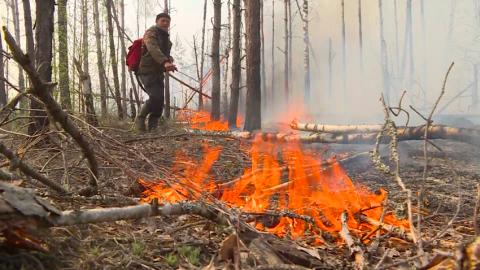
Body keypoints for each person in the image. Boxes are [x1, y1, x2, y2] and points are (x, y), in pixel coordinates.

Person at [135, 13, 177, 132]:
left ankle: (153, 127)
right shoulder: (150, 33)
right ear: (157, 21)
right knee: (155, 96)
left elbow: (163, 53)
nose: (165, 23)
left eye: (167, 22)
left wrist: (169, 59)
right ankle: (141, 118)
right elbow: (153, 48)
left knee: (159, 100)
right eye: (163, 21)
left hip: (158, 72)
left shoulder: (166, 38)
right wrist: (165, 62)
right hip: (146, 71)